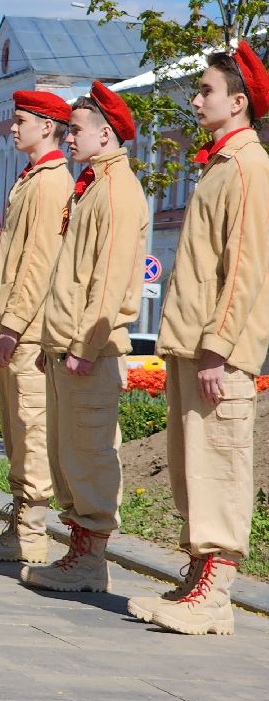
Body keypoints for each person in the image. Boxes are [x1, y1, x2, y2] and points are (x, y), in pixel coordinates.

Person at [129, 45, 269, 634]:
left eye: (205, 90)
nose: (194, 99)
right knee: (193, 466)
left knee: (219, 465)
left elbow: (244, 267)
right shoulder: (217, 163)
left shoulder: (246, 165)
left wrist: (219, 346)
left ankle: (216, 597)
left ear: (238, 102)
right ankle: (196, 579)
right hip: (193, 343)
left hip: (219, 350)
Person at [22, 82, 147, 594]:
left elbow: (109, 280)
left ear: (106, 133)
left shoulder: (117, 190)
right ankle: (78, 551)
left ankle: (91, 558)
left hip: (90, 349)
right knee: (67, 451)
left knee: (90, 451)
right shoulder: (92, 184)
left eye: (75, 130)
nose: (68, 138)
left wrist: (81, 347)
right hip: (67, 346)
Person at [0, 91, 73, 563]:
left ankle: (30, 531)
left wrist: (10, 325)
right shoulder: (32, 178)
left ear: (48, 127)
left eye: (21, 120)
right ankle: (19, 524)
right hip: (15, 326)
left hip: (29, 332)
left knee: (31, 432)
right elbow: (9, 263)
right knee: (15, 432)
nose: (12, 128)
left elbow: (37, 264)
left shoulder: (52, 183)